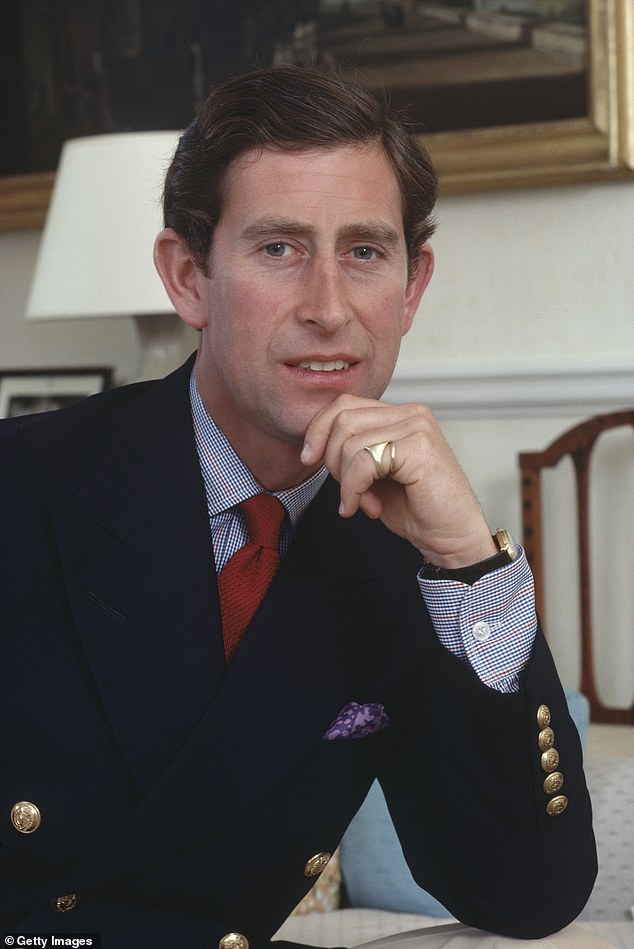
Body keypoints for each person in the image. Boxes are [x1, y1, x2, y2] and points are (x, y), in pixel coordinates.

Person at [1, 66, 597, 949]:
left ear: (412, 287)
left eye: (364, 251)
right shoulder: (26, 486)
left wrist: (472, 565)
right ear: (188, 278)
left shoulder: (410, 551)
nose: (328, 308)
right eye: (278, 248)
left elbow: (524, 894)